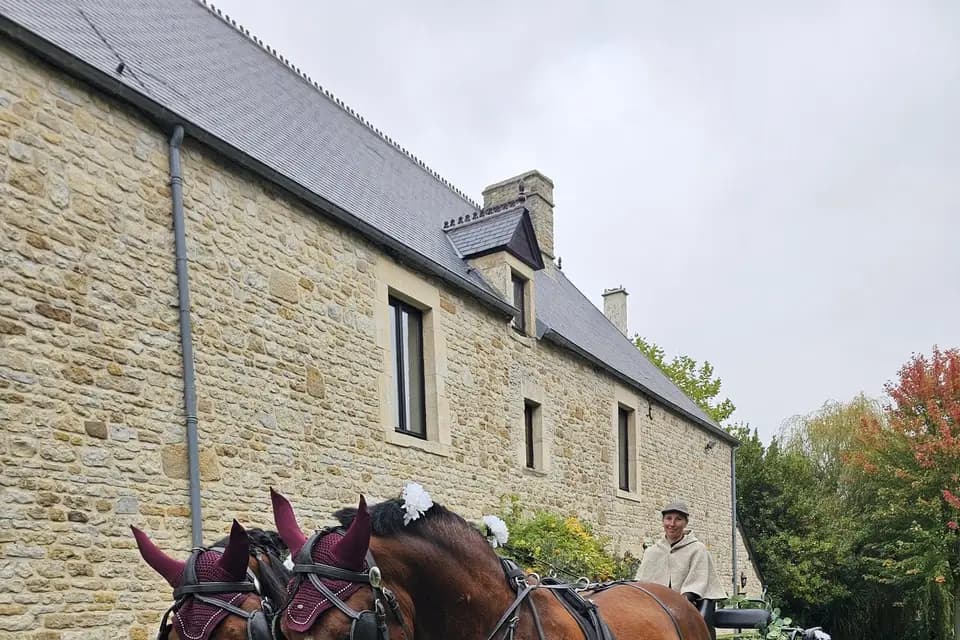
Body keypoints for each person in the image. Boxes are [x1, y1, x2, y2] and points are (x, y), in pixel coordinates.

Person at [635, 501, 726, 604]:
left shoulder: (698, 550)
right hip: (655, 605)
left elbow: (698, 582)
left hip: (690, 604)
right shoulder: (651, 552)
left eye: (678, 519)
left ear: (685, 523)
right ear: (663, 521)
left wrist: (682, 600)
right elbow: (641, 583)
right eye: (668, 518)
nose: (672, 524)